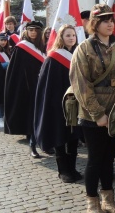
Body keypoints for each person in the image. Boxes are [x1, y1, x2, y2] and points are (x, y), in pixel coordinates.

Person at [69, 4, 115, 213]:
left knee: (109, 157)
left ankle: (108, 200)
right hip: (93, 114)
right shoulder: (84, 49)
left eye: (111, 20)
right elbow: (80, 85)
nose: (110, 24)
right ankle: (92, 202)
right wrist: (97, 114)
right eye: (104, 20)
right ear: (95, 24)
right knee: (95, 158)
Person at [35, 24, 83, 183]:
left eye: (73, 35)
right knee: (60, 136)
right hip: (58, 104)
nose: (71, 38)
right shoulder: (53, 57)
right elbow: (47, 84)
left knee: (73, 137)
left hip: (76, 104)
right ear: (61, 38)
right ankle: (63, 170)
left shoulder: (78, 54)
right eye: (68, 35)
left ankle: (73, 168)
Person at [4, 20, 46, 159]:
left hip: (42, 86)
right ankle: (33, 145)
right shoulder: (21, 48)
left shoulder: (44, 47)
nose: (33, 32)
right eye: (31, 30)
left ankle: (44, 143)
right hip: (27, 88)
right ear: (27, 31)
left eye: (36, 30)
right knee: (31, 116)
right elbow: (14, 71)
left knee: (42, 115)